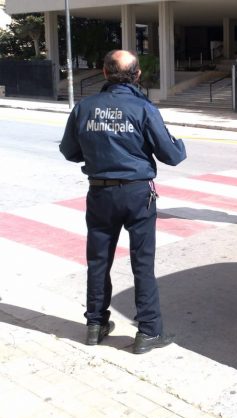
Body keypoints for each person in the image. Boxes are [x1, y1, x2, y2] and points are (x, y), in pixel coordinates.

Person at [60, 50, 186, 354]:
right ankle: (148, 332)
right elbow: (172, 155)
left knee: (98, 260)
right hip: (136, 193)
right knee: (142, 263)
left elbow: (69, 150)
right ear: (138, 75)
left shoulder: (85, 107)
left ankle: (95, 325)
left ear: (104, 73)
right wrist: (179, 143)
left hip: (100, 193)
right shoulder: (143, 108)